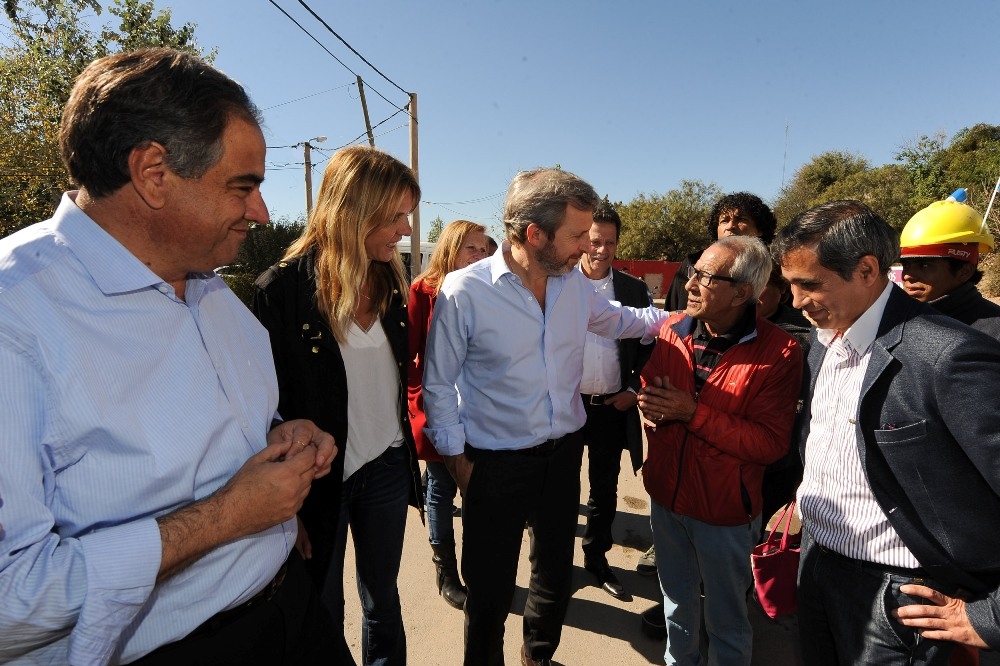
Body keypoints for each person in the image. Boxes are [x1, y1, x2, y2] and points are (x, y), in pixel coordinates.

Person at [0, 48, 338, 665]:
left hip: (294, 613)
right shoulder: (14, 314)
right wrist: (226, 517)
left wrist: (279, 434)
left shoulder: (216, 294)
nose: (261, 213)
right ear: (153, 172)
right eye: (244, 186)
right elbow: (10, 604)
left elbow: (213, 436)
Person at [422, 167, 669, 666]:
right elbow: (437, 384)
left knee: (553, 575)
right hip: (493, 465)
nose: (587, 246)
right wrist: (457, 462)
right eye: (577, 235)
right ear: (535, 234)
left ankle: (538, 656)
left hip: (562, 458)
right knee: (490, 589)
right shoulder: (463, 291)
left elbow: (621, 320)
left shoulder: (572, 286)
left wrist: (678, 319)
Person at [773, 200, 1000, 666]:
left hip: (899, 598)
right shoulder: (824, 341)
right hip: (816, 566)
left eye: (809, 285)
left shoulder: (948, 356)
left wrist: (991, 616)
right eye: (789, 285)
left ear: (867, 270)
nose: (795, 302)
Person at [253, 145, 424, 666]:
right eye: (394, 217)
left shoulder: (392, 281)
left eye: (406, 218)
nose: (404, 230)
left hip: (388, 467)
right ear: (354, 210)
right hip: (317, 481)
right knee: (321, 608)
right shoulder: (281, 290)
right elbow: (262, 408)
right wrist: (287, 512)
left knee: (383, 600)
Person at [637, 236, 803, 665]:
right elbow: (652, 382)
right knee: (677, 607)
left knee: (727, 621)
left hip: (724, 512)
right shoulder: (673, 330)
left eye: (705, 277)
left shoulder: (780, 353)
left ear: (741, 292)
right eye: (693, 271)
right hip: (665, 496)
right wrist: (650, 407)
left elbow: (769, 444)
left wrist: (692, 413)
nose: (690, 283)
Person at [408, 219, 489, 609]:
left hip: (481, 413)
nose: (481, 255)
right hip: (440, 410)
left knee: (478, 490)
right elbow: (411, 356)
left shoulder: (490, 289)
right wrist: (417, 405)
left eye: (484, 248)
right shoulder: (423, 290)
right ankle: (446, 570)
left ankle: (479, 568)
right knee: (440, 489)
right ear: (451, 248)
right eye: (472, 248)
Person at [577, 201, 654, 601]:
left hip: (610, 408)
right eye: (594, 241)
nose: (601, 250)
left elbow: (648, 348)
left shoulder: (633, 289)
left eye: (609, 242)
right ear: (582, 240)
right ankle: (550, 561)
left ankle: (596, 558)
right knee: (552, 488)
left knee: (603, 490)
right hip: (564, 409)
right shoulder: (558, 281)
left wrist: (631, 390)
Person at [899, 191, 1000, 338]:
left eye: (924, 265)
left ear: (964, 271)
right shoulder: (896, 322)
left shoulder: (994, 333)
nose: (908, 276)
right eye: (906, 265)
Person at [663, 192, 777, 313]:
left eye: (741, 219)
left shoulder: (774, 268)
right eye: (724, 220)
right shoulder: (693, 262)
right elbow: (672, 311)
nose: (730, 226)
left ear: (760, 229)